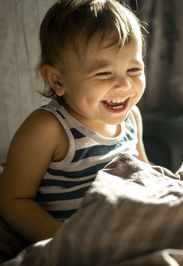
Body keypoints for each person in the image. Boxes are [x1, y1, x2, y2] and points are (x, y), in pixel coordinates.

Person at [0, 0, 148, 243]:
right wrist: (65, 239)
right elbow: (13, 201)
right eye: (103, 73)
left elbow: (144, 175)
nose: (125, 85)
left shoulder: (132, 118)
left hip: (128, 232)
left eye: (134, 69)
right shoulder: (48, 129)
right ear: (57, 80)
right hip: (77, 241)